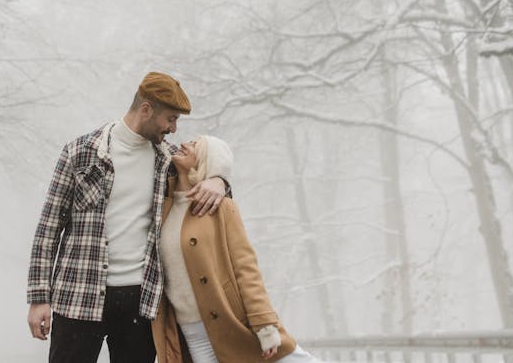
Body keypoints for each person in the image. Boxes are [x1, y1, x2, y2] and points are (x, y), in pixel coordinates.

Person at [27, 72, 232, 363]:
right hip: (78, 295)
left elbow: (214, 202)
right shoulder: (80, 152)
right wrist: (38, 297)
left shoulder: (170, 162)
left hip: (141, 302)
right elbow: (48, 228)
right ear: (146, 109)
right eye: (170, 119)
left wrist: (220, 180)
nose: (174, 129)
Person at [153, 136, 321, 363]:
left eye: (194, 146)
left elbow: (246, 267)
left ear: (203, 161)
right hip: (190, 330)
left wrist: (264, 324)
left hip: (230, 321)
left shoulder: (221, 207)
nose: (184, 144)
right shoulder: (161, 205)